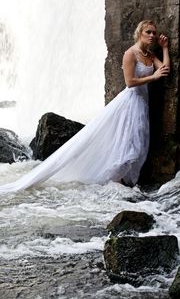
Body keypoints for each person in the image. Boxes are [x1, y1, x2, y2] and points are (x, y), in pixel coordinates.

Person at [0, 20, 170, 194]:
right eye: (148, 32)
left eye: (154, 33)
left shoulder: (149, 54)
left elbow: (165, 69)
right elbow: (130, 82)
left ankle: (126, 181)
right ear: (139, 32)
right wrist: (153, 77)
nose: (152, 35)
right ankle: (117, 181)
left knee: (140, 142)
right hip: (129, 102)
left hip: (142, 103)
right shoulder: (130, 54)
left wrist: (164, 48)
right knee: (127, 141)